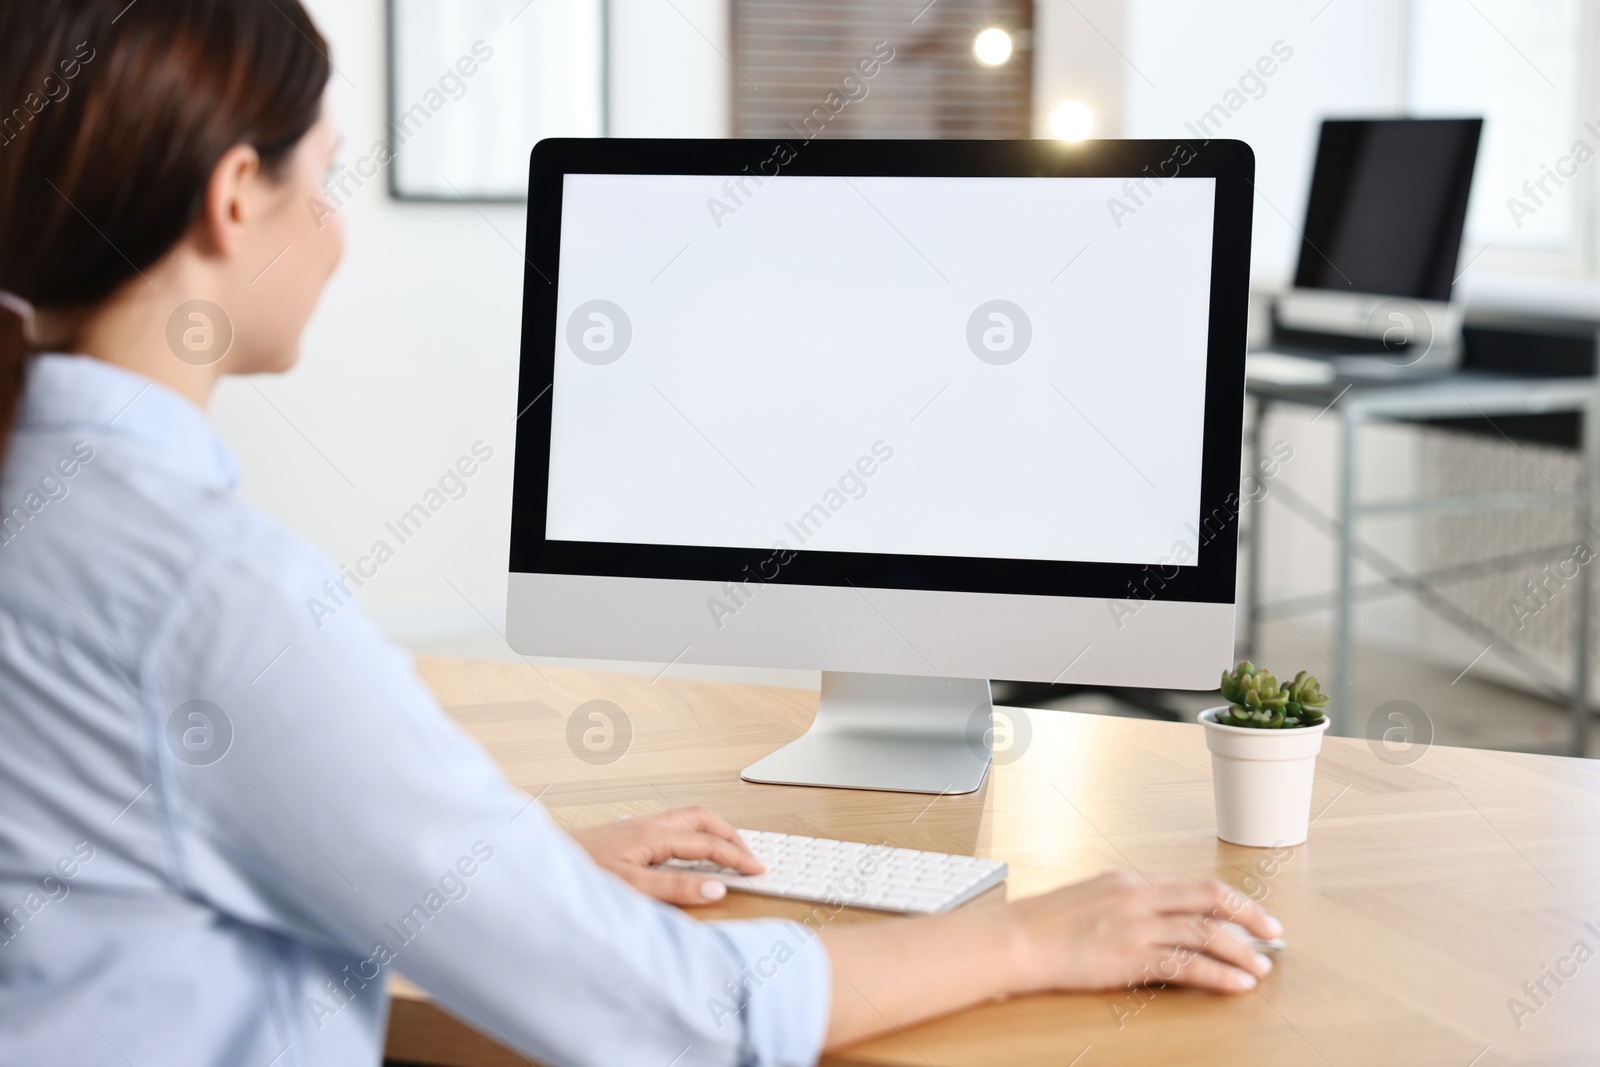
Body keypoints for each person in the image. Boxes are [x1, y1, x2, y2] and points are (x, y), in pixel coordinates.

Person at [0, 2, 1281, 1065]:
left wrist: (509, 869)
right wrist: (1029, 939)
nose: (334, 232)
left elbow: (165, 845)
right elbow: (667, 1011)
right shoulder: (214, 594)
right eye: (325, 180)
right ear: (235, 196)